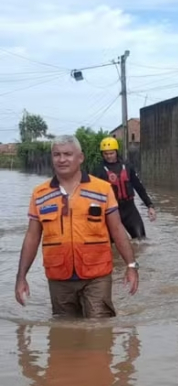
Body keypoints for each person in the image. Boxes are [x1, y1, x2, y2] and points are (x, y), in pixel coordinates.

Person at [14, 135, 139, 318]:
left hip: (97, 276)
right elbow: (32, 236)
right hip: (59, 278)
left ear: (80, 158)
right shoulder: (40, 194)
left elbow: (117, 229)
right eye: (57, 154)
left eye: (67, 154)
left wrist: (131, 265)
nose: (62, 159)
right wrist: (21, 276)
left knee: (99, 329)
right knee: (64, 332)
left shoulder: (102, 189)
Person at [91, 136, 157, 239]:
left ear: (116, 152)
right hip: (111, 211)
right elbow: (92, 195)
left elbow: (138, 187)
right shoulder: (98, 171)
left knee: (141, 240)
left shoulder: (127, 166)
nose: (109, 156)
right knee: (112, 245)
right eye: (106, 154)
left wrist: (150, 206)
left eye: (111, 153)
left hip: (129, 209)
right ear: (102, 154)